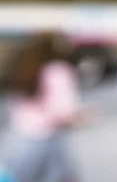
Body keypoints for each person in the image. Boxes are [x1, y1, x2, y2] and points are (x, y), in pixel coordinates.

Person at [0, 32, 83, 182]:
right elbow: (64, 113)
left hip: (19, 141)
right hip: (48, 141)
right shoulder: (58, 71)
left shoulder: (23, 69)